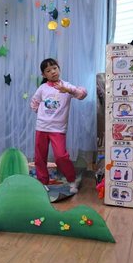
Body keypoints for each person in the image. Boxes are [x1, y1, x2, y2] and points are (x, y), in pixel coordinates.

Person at [30, 58, 87, 193]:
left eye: (54, 68)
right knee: (40, 157)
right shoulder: (42, 88)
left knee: (61, 157)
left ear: (59, 69)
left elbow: (82, 94)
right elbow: (34, 103)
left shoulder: (66, 86)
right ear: (44, 75)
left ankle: (71, 181)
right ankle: (43, 182)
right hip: (42, 128)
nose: (53, 72)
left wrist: (66, 89)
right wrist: (43, 114)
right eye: (48, 71)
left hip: (58, 129)